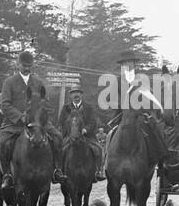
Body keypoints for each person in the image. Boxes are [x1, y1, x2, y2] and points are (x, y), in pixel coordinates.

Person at [0, 51, 64, 187]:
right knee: (3, 142)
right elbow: (5, 105)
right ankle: (7, 175)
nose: (27, 68)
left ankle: (57, 170)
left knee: (58, 137)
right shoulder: (9, 82)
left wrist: (42, 117)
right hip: (15, 123)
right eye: (24, 65)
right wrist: (20, 117)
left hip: (37, 122)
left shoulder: (38, 82)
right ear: (18, 64)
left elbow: (46, 104)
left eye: (29, 66)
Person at [102, 50, 146, 178]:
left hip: (139, 115)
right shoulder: (117, 81)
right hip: (121, 115)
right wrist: (120, 105)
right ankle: (106, 164)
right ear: (122, 66)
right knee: (110, 135)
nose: (128, 65)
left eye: (130, 63)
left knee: (153, 132)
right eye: (125, 64)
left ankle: (160, 161)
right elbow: (109, 99)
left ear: (134, 64)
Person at [58, 85, 104, 181]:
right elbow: (61, 122)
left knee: (98, 149)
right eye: (74, 93)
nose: (76, 95)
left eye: (78, 93)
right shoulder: (66, 107)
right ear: (71, 95)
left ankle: (98, 171)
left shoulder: (88, 107)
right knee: (60, 150)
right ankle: (59, 171)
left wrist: (86, 129)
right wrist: (68, 131)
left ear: (81, 95)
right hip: (70, 136)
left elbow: (92, 121)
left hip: (86, 136)